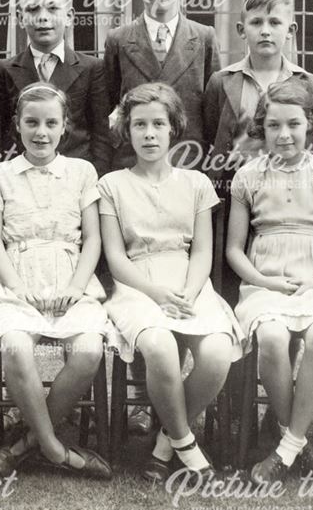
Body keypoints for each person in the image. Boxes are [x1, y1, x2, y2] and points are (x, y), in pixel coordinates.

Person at [98, 82, 241, 482]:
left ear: (173, 128)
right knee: (158, 344)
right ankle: (185, 444)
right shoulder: (111, 185)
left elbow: (201, 253)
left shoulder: (196, 184)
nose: (148, 133)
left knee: (216, 352)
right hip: (137, 283)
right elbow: (115, 259)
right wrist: (156, 293)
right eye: (139, 124)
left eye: (158, 124)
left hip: (187, 280)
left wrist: (189, 292)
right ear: (127, 130)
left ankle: (164, 442)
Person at [225, 79, 313, 485]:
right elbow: (235, 249)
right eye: (273, 126)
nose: (284, 135)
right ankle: (301, 445)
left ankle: (285, 448)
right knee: (270, 336)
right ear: (262, 129)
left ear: (310, 125)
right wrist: (262, 280)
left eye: (293, 125)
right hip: (264, 277)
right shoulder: (247, 177)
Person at [0, 83, 112, 480]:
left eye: (50, 123)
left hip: (71, 274)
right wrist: (17, 286)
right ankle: (56, 449)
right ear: (17, 126)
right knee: (17, 347)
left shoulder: (82, 171)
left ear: (64, 127)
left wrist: (76, 285)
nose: (41, 132)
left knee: (89, 351)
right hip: (17, 275)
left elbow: (92, 238)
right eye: (31, 122)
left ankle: (26, 442)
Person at [104, 0, 217, 171]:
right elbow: (111, 105)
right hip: (134, 167)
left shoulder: (204, 37)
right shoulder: (119, 40)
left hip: (188, 165)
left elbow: (212, 113)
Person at [205, 0, 313, 187]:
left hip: (293, 186)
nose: (265, 31)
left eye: (275, 22)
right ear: (241, 30)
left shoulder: (308, 83)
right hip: (235, 186)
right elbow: (211, 136)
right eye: (256, 22)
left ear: (291, 31)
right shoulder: (222, 81)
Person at [0, 0, 111, 175]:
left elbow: (100, 135)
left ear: (69, 16)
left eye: (53, 8)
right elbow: (0, 133)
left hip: (74, 177)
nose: (43, 17)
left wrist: (94, 178)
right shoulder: (6, 69)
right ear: (21, 19)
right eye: (32, 9)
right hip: (23, 177)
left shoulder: (92, 68)